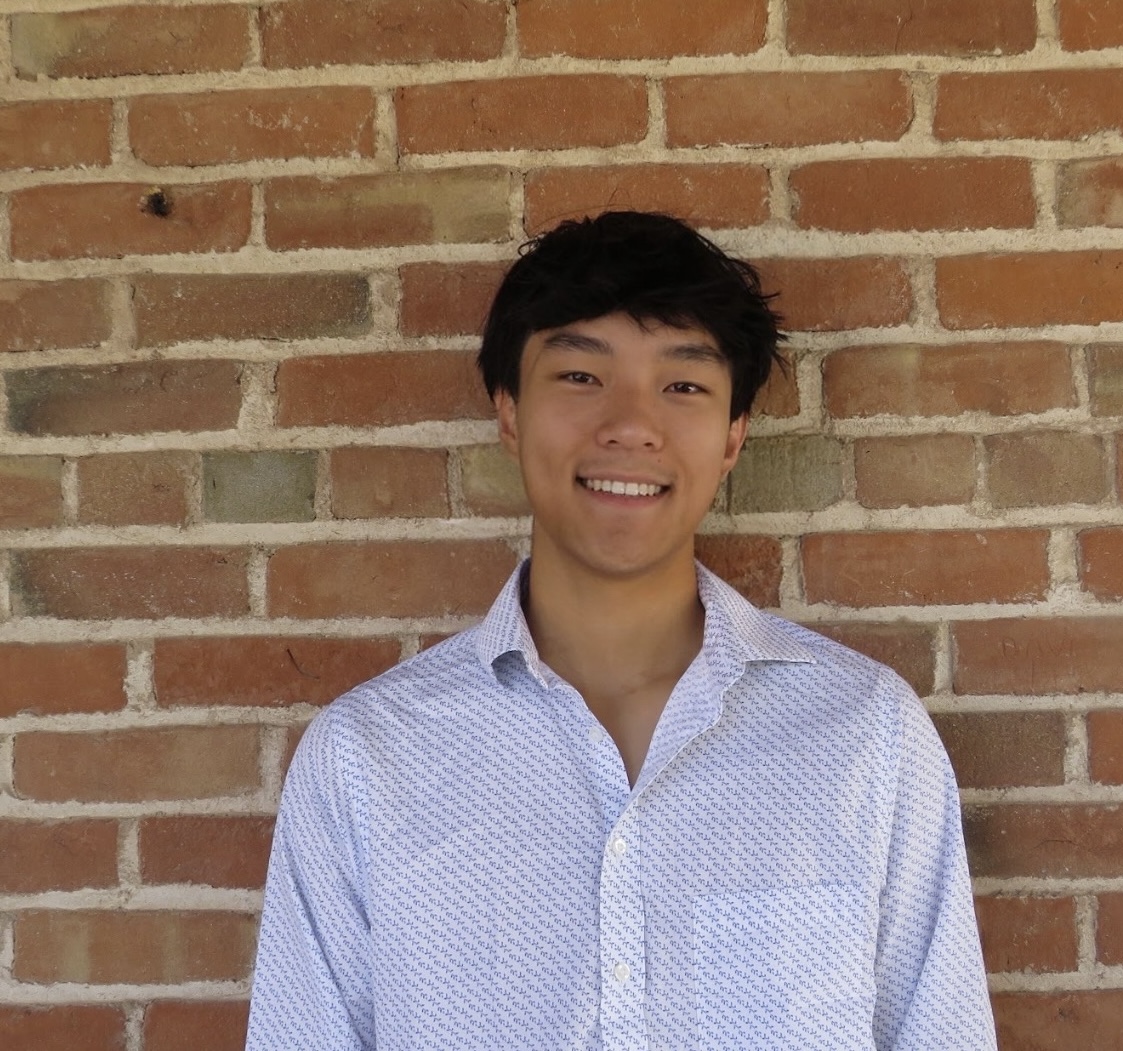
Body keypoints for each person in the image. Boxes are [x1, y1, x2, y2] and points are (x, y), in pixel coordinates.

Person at [246, 211, 997, 1050]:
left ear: (733, 437)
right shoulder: (366, 757)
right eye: (578, 375)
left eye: (683, 385)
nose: (630, 424)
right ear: (507, 411)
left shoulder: (864, 735)